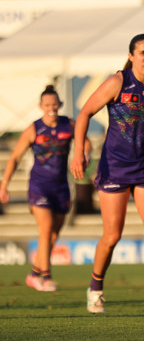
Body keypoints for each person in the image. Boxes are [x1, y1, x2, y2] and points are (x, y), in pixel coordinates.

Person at [70, 33, 144, 314]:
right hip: (115, 168)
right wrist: (78, 152)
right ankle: (95, 289)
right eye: (143, 53)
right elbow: (85, 113)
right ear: (132, 56)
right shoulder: (117, 82)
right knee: (112, 236)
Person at [0, 85, 83, 292]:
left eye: (55, 104)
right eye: (47, 105)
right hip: (39, 186)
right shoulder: (33, 129)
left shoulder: (69, 125)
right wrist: (4, 185)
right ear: (40, 106)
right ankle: (45, 277)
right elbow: (15, 157)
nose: (51, 108)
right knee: (45, 229)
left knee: (54, 234)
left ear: (60, 105)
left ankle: (34, 273)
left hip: (61, 187)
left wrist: (83, 155)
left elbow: (86, 143)